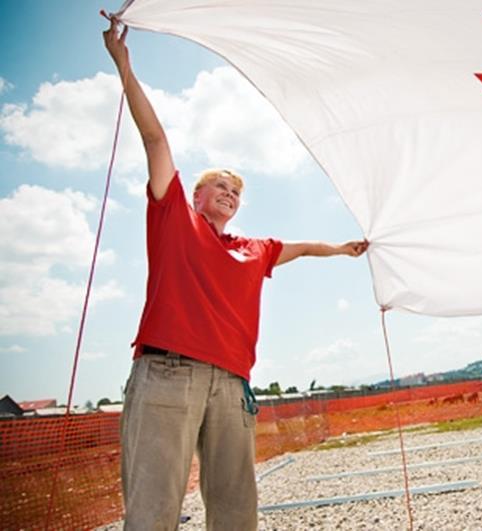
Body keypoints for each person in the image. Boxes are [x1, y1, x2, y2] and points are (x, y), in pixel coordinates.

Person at [103, 18, 368, 530]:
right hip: (168, 374)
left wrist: (341, 249)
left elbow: (304, 248)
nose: (229, 192)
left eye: (236, 190)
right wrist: (124, 67)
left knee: (236, 513)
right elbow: (156, 141)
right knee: (154, 511)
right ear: (196, 196)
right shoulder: (173, 218)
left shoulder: (254, 249)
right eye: (218, 186)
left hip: (231, 384)